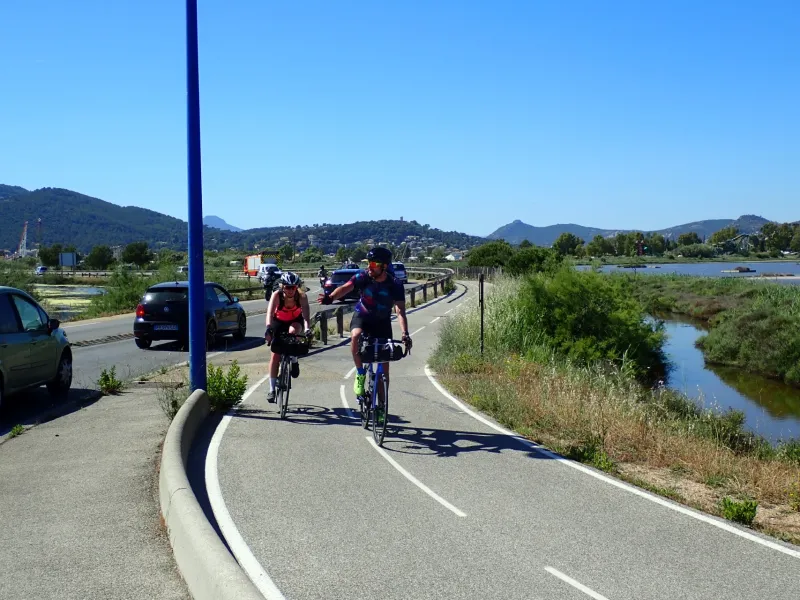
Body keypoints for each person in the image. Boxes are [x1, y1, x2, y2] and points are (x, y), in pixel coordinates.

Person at [318, 246, 411, 397]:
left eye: (373, 264)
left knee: (384, 369)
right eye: (368, 263)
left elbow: (400, 311)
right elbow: (346, 288)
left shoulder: (395, 284)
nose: (369, 267)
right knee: (355, 336)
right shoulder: (363, 277)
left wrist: (405, 333)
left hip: (382, 322)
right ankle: (360, 373)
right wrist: (330, 297)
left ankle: (381, 406)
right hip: (363, 316)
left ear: (384, 266)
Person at [264, 272, 313, 403]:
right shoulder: (277, 295)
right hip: (279, 321)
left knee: (293, 332)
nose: (290, 290)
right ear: (282, 286)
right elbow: (269, 313)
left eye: (293, 287)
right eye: (287, 287)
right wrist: (268, 327)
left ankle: (294, 359)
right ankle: (272, 389)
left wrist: (307, 328)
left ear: (297, 286)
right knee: (275, 355)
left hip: (295, 321)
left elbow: (306, 316)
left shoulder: (302, 296)